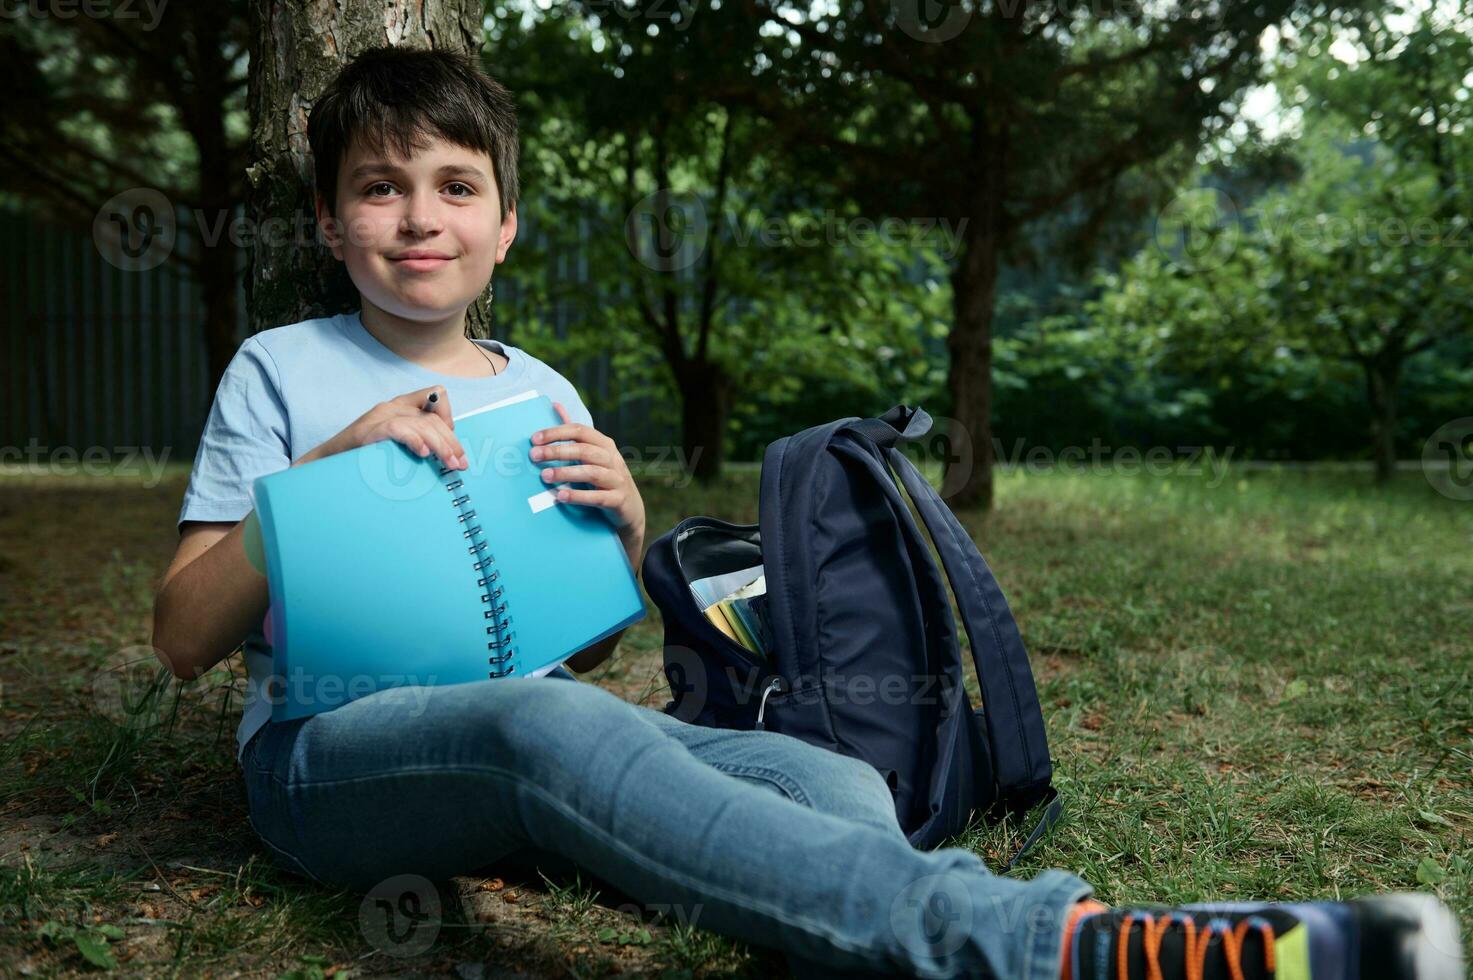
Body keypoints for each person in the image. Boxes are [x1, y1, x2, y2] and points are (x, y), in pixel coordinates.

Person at [150, 45, 1464, 980]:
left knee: (829, 778)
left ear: (504, 226)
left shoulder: (538, 388)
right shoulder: (282, 367)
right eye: (380, 187)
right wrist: (318, 483)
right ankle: (1060, 944)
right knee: (546, 724)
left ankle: (855, 929)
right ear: (330, 222)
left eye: (453, 187)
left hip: (530, 735)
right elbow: (179, 638)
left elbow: (583, 656)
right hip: (330, 761)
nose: (418, 217)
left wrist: (619, 533)